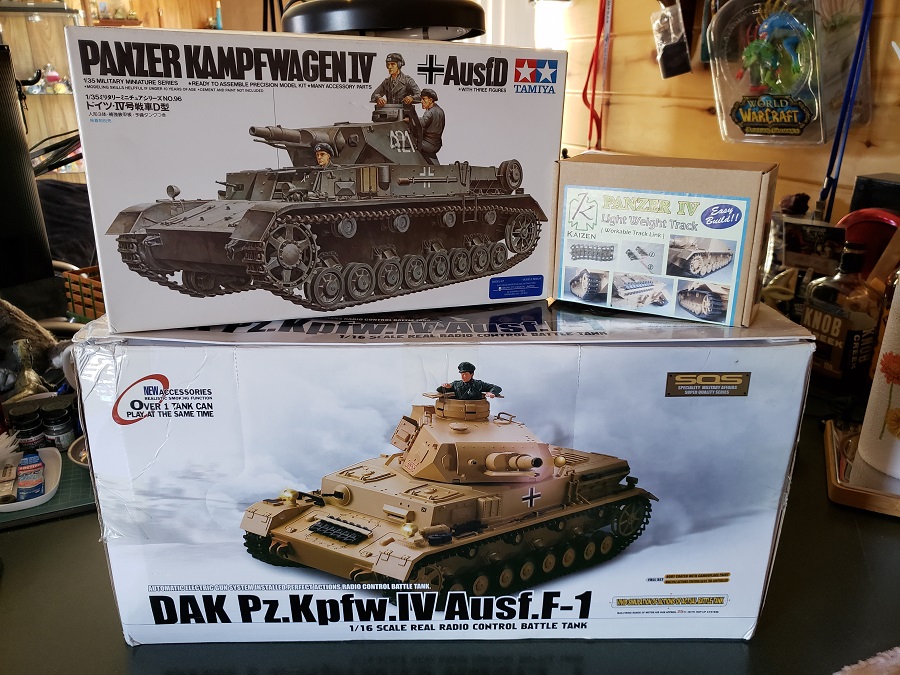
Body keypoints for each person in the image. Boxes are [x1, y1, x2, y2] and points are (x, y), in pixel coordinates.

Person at [437, 362, 501, 400]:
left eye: (465, 374)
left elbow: (497, 387)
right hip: (459, 410)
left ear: (472, 374)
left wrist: (491, 393)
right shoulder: (456, 384)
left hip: (475, 411)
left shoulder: (479, 384)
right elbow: (440, 390)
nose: (462, 377)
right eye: (461, 374)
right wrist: (446, 386)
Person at [419, 88, 445, 165]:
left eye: (424, 99)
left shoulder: (430, 112)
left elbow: (422, 123)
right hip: (437, 144)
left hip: (429, 144)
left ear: (430, 100)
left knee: (411, 142)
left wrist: (411, 119)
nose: (421, 101)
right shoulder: (440, 110)